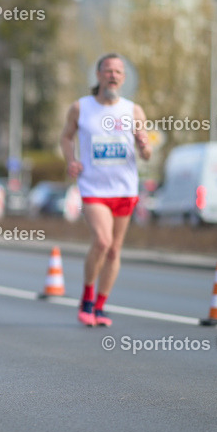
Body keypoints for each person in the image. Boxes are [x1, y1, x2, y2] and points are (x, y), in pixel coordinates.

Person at [59, 53, 153, 327]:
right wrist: (71, 160)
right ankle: (86, 299)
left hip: (124, 189)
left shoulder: (133, 110)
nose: (113, 75)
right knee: (102, 241)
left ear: (124, 79)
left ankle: (99, 307)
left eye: (118, 72)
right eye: (108, 70)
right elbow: (66, 137)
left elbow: (146, 153)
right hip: (93, 188)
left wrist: (144, 145)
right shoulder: (81, 108)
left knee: (114, 251)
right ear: (98, 75)